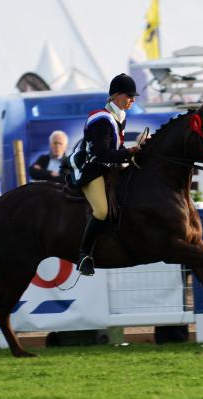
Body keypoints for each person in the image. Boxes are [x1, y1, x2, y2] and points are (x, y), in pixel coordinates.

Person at [70, 73, 140, 276]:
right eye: (129, 96)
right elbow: (102, 154)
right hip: (92, 169)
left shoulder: (120, 116)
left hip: (109, 167)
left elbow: (116, 148)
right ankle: (84, 255)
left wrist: (135, 154)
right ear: (116, 96)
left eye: (133, 96)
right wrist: (129, 152)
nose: (132, 100)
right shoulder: (101, 119)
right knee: (101, 211)